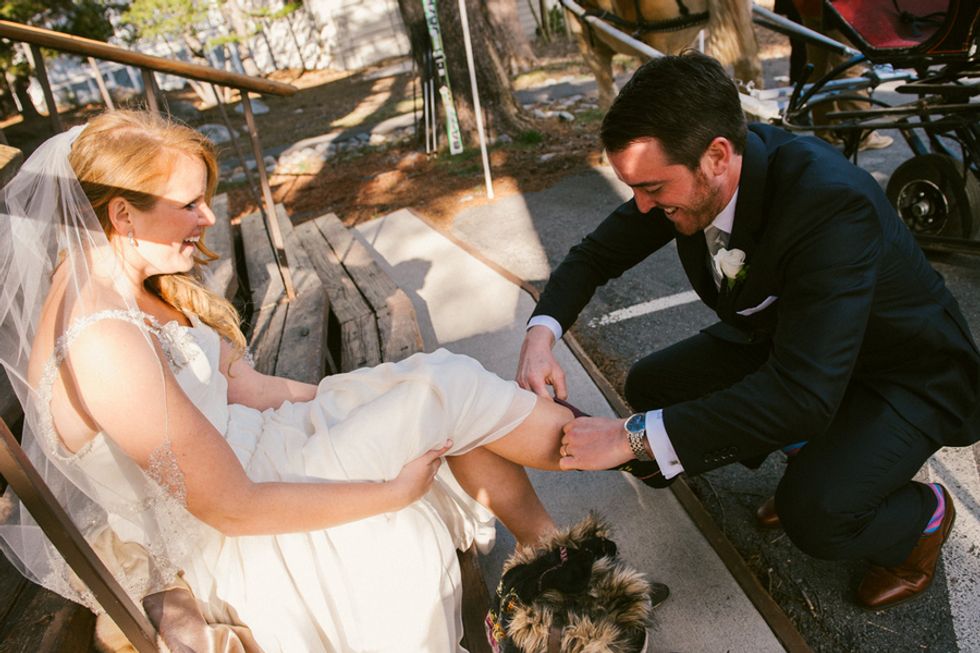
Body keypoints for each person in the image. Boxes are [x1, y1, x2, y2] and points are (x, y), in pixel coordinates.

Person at [0, 110, 580, 653]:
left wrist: (356, 393)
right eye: (190, 203)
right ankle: (598, 484)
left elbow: (246, 389)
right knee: (437, 411)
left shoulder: (122, 280)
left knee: (433, 388)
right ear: (123, 214)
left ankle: (567, 558)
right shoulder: (102, 341)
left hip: (260, 449)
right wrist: (392, 493)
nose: (208, 218)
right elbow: (233, 508)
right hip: (230, 530)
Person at [516, 52, 979, 611]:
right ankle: (820, 454)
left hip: (902, 370)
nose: (641, 204)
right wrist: (540, 336)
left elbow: (802, 394)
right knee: (654, 386)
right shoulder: (687, 178)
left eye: (652, 187)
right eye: (634, 187)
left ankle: (922, 519)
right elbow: (595, 255)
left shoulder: (829, 203)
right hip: (798, 346)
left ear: (716, 156)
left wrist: (630, 437)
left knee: (816, 513)